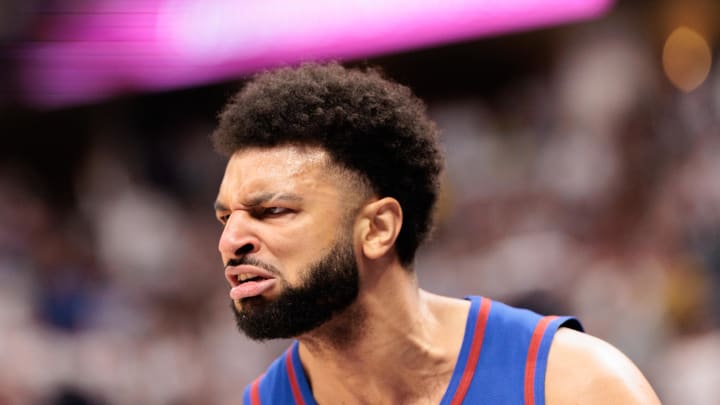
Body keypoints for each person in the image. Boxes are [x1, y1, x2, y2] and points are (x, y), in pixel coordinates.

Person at [211, 63, 660, 404]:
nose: (231, 241)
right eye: (225, 218)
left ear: (378, 228)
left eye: (271, 211)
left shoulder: (573, 384)